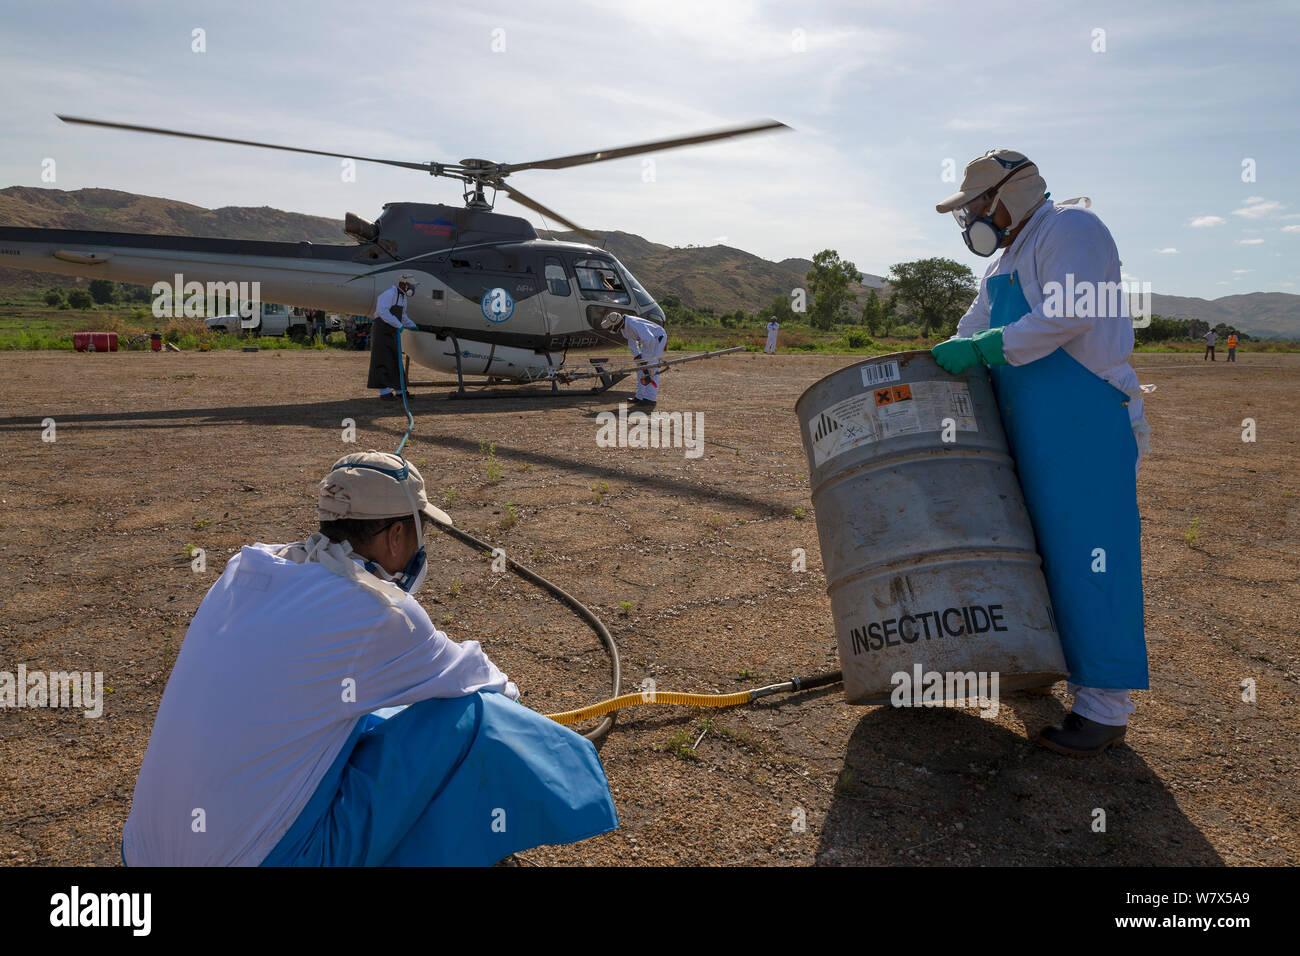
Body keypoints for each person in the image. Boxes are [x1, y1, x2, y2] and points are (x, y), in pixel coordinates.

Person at [122, 451, 618, 866]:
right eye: (420, 529)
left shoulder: (246, 568)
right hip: (260, 860)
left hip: (143, 852)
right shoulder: (378, 612)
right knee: (471, 717)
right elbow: (485, 685)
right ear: (397, 536)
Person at [930, 148, 1150, 757]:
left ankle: (1105, 708)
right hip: (1030, 425)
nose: (971, 215)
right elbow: (973, 325)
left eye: (975, 203)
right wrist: (943, 352)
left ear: (1009, 194)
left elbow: (1071, 312)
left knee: (1090, 557)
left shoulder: (1072, 228)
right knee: (1036, 555)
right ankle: (1048, 664)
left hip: (1084, 422)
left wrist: (985, 348)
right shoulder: (1007, 257)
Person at [369, 274, 419, 400]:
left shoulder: (403, 298)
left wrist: (412, 326)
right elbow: (383, 312)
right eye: (411, 285)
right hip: (382, 330)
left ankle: (400, 390)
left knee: (395, 359)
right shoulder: (389, 294)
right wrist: (399, 325)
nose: (412, 288)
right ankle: (384, 392)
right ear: (404, 284)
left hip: (392, 330)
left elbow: (403, 316)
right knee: (382, 359)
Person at [601, 311, 668, 405]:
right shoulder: (624, 326)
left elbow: (650, 339)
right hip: (648, 341)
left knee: (652, 367)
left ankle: (650, 399)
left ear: (617, 324)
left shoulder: (634, 324)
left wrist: (646, 359)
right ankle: (640, 397)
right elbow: (631, 341)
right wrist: (637, 355)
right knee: (641, 369)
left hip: (657, 338)